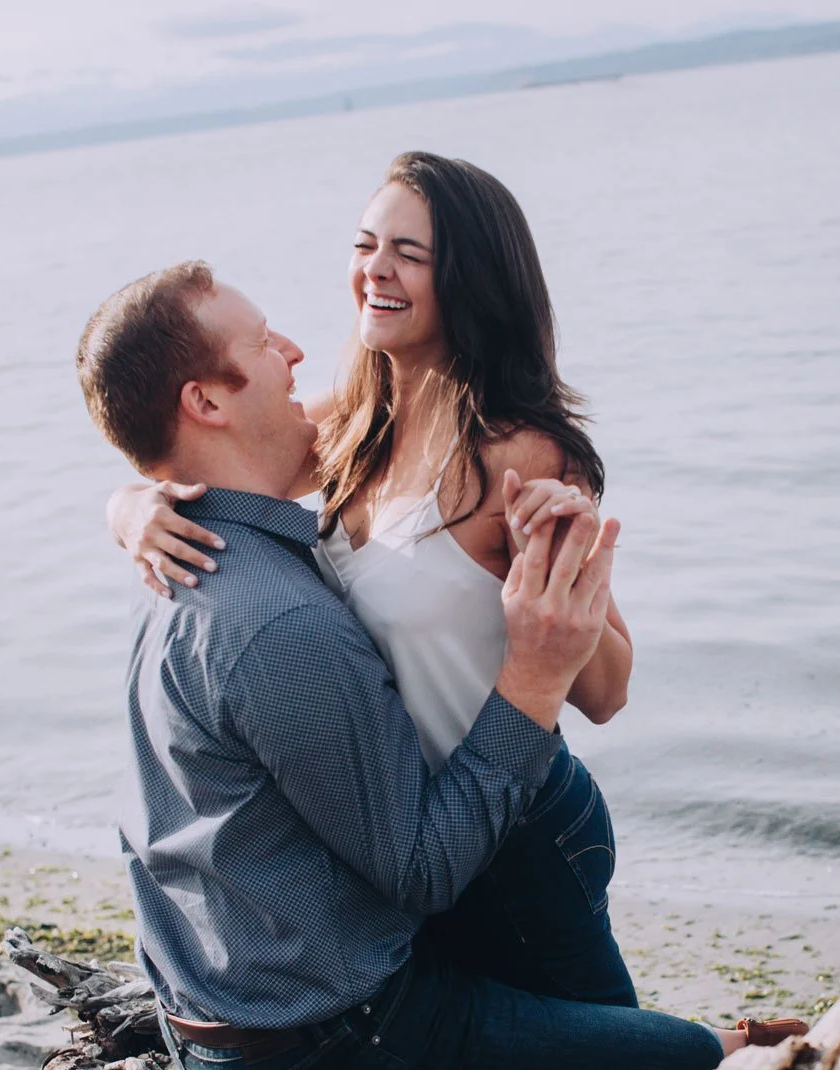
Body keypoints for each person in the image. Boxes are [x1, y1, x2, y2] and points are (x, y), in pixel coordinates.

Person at [77, 262, 807, 1070]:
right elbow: (423, 867)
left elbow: (608, 688)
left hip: (240, 1002)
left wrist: (131, 496)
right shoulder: (270, 619)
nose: (298, 348)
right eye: (263, 344)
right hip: (326, 1035)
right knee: (680, 1062)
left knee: (600, 1051)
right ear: (206, 401)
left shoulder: (197, 551)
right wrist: (534, 678)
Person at [106, 152, 637, 1014]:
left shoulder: (521, 453)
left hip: (522, 832)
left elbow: (608, 691)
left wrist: (559, 565)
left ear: (470, 279)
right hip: (412, 836)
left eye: (410, 254)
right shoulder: (346, 424)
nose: (375, 271)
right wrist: (129, 506)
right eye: (365, 244)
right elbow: (211, 449)